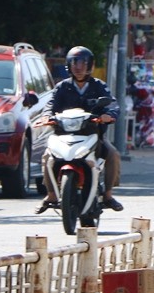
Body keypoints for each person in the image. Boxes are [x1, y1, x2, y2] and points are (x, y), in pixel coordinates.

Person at [35, 46, 124, 214]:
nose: (79, 67)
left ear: (90, 65)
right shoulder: (62, 87)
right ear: (69, 64)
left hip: (92, 134)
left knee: (112, 154)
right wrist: (46, 117)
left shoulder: (99, 86)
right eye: (75, 62)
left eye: (83, 62)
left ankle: (108, 195)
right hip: (63, 135)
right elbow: (50, 105)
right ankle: (51, 195)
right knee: (47, 156)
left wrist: (109, 114)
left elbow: (113, 105)